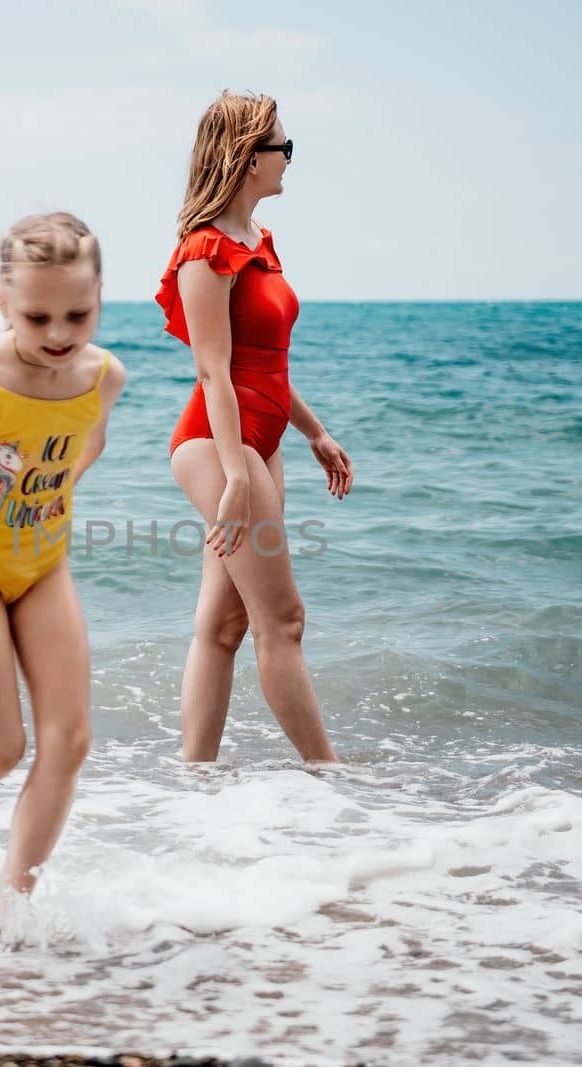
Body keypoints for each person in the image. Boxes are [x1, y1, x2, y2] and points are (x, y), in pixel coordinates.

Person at [0, 211, 127, 893]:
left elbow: (84, 446)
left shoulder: (105, 378)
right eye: (37, 318)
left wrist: (50, 492)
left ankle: (13, 907)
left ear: (100, 297)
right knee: (4, 749)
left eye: (78, 314)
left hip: (44, 568)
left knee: (70, 743)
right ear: (4, 302)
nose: (59, 335)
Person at [156, 91, 353, 764]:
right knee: (284, 620)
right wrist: (236, 473)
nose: (289, 158)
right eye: (282, 147)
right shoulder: (203, 253)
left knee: (224, 622)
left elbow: (264, 368)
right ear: (246, 159)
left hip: (258, 441)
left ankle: (193, 776)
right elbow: (214, 373)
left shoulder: (258, 243)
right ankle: (332, 777)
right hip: (217, 445)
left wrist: (314, 433)